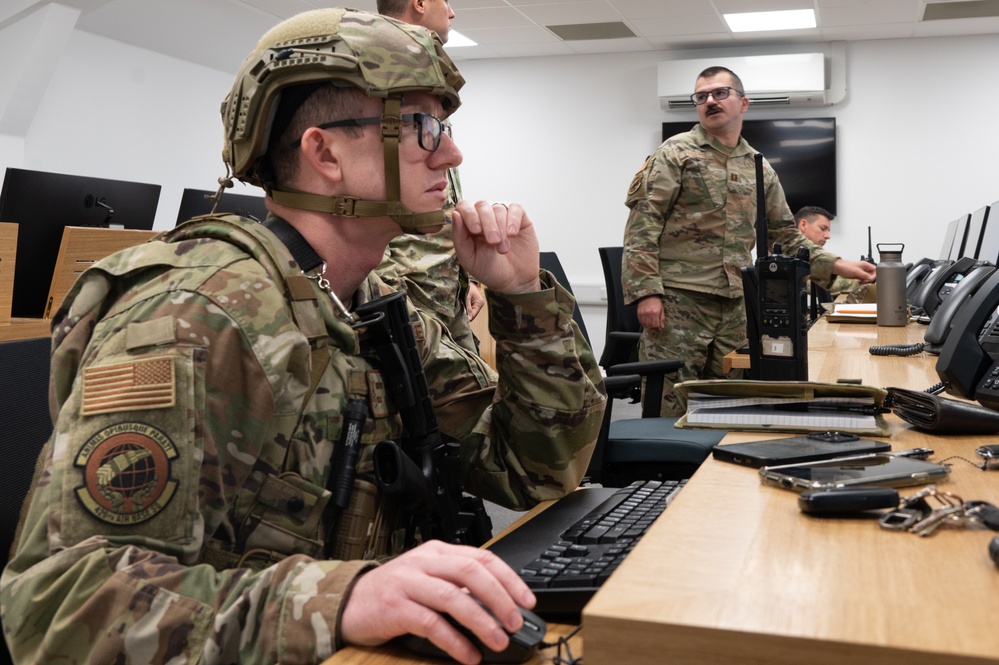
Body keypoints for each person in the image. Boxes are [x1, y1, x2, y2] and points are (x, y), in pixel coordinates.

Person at [0, 9, 606, 665]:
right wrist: (343, 600)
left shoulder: (367, 306)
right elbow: (61, 607)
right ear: (324, 153)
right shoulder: (196, 316)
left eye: (447, 128)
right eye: (423, 128)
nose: (452, 154)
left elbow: (537, 469)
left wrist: (522, 298)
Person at [621, 66, 876, 417]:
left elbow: (784, 233)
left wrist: (836, 264)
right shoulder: (675, 153)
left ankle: (711, 472)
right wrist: (646, 292)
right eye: (701, 96)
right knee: (670, 401)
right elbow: (642, 225)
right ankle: (663, 472)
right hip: (680, 300)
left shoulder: (759, 166)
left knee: (727, 403)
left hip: (735, 303)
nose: (710, 101)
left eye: (720, 93)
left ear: (744, 103)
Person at [376, 0, 485, 355]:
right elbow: (367, 195)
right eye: (446, 1)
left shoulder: (422, 72)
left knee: (471, 398)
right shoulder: (376, 70)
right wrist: (387, 287)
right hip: (408, 288)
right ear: (420, 3)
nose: (452, 13)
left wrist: (464, 277)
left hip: (444, 286)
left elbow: (442, 193)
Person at [794, 205, 868, 298]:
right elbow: (812, 284)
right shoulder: (787, 251)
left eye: (828, 231)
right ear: (803, 225)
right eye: (822, 228)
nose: (828, 236)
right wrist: (860, 278)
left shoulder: (808, 255)